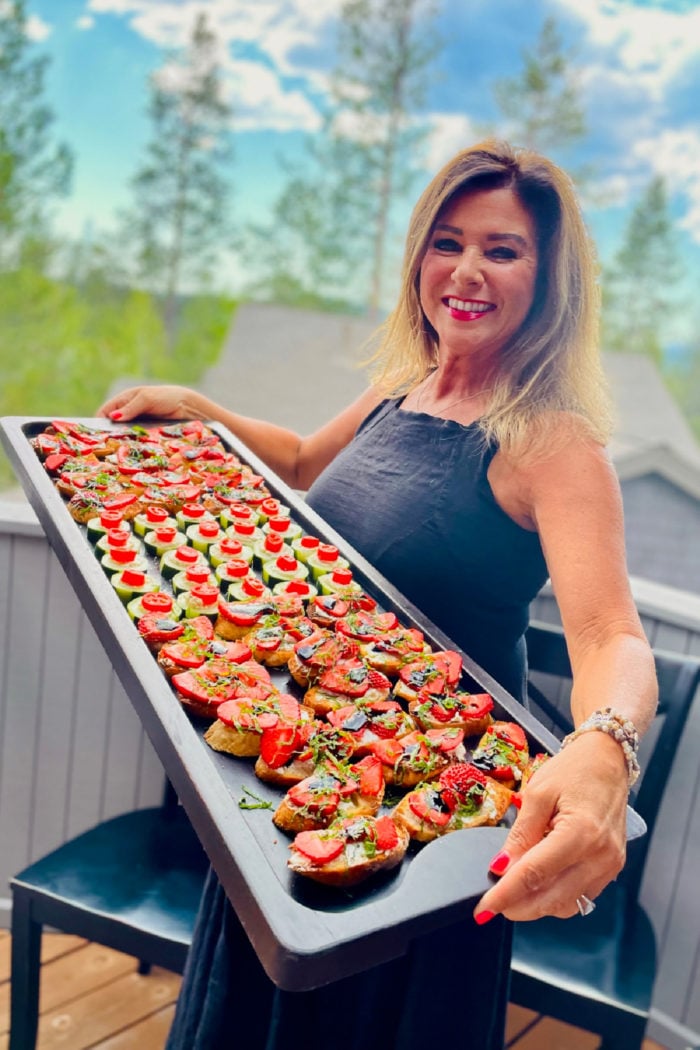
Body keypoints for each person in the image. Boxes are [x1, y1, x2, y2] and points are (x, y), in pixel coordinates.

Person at [98, 139, 658, 1050]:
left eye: (502, 249)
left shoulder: (555, 443)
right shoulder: (407, 386)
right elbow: (304, 461)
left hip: (433, 820)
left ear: (550, 280)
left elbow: (609, 634)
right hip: (309, 768)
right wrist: (207, 412)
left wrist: (605, 750)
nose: (466, 270)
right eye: (447, 242)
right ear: (419, 259)